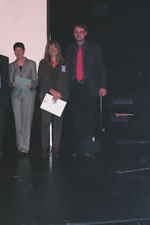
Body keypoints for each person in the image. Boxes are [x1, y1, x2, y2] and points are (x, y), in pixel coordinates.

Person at [65, 24, 107, 154]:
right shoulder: (68, 49)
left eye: (81, 32)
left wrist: (103, 85)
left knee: (89, 118)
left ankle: (88, 148)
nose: (79, 34)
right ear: (73, 33)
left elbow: (101, 67)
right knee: (77, 118)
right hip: (74, 87)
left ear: (86, 33)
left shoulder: (95, 48)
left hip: (90, 87)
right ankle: (79, 148)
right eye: (76, 32)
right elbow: (65, 70)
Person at [38, 40, 70, 158]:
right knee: (45, 123)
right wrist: (52, 92)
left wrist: (59, 94)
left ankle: (56, 148)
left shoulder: (64, 63)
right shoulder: (43, 63)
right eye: (50, 47)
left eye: (55, 47)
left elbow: (65, 80)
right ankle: (44, 148)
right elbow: (42, 79)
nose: (52, 49)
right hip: (47, 96)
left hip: (60, 97)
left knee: (58, 123)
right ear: (47, 50)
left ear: (58, 49)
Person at [9, 42, 38, 157]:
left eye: (20, 50)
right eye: (16, 50)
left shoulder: (31, 63)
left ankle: (25, 148)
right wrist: (12, 83)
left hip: (28, 94)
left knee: (27, 121)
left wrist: (32, 84)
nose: (18, 52)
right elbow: (9, 82)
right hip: (16, 95)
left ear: (24, 51)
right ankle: (19, 146)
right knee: (18, 121)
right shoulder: (11, 65)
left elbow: (35, 80)